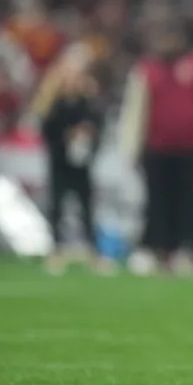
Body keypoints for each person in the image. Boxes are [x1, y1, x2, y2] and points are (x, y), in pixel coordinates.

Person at [119, 19, 193, 277]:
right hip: (155, 147)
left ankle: (186, 249)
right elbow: (134, 111)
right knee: (156, 200)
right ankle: (155, 248)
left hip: (188, 148)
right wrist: (132, 148)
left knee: (187, 200)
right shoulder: (147, 70)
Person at [41, 66, 113, 275]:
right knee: (57, 206)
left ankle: (93, 250)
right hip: (60, 165)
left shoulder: (88, 107)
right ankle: (56, 249)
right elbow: (47, 132)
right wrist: (66, 137)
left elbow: (98, 130)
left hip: (82, 165)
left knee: (86, 207)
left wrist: (88, 138)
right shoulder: (56, 107)